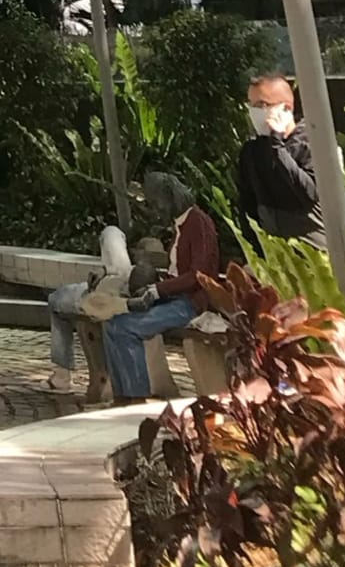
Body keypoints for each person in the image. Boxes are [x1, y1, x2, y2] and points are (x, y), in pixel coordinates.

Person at [102, 172, 220, 402]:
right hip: (175, 297)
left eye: (156, 204)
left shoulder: (199, 223)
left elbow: (198, 274)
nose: (155, 210)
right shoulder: (180, 225)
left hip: (190, 303)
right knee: (112, 323)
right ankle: (123, 394)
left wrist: (158, 290)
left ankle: (135, 396)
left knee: (127, 328)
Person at [235, 71, 329, 251]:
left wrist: (277, 144)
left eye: (262, 104)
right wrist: (253, 249)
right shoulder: (252, 151)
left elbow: (308, 193)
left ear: (286, 108)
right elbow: (247, 202)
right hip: (276, 256)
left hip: (313, 253)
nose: (255, 111)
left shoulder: (312, 143)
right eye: (251, 105)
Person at [44, 224, 130, 398]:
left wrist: (106, 273)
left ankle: (62, 374)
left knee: (55, 301)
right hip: (109, 291)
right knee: (58, 297)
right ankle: (62, 374)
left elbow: (121, 270)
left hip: (102, 298)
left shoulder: (112, 236)